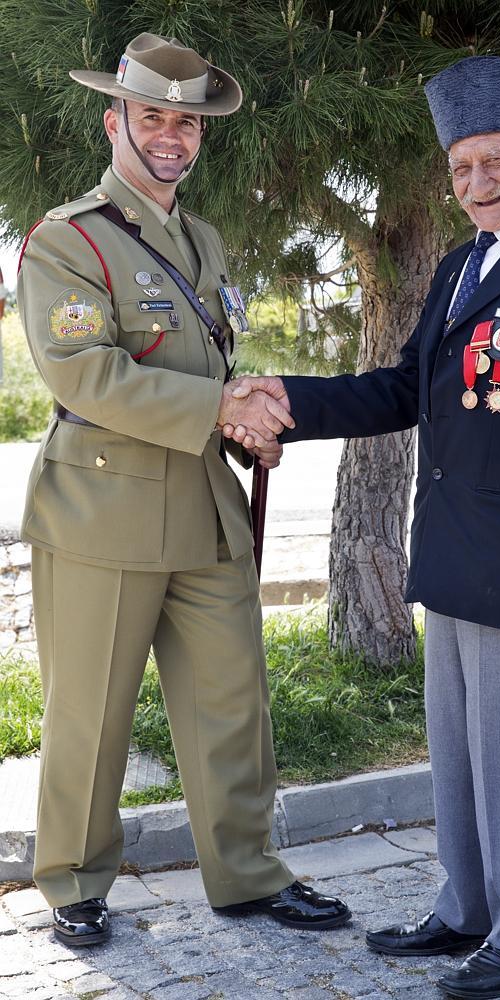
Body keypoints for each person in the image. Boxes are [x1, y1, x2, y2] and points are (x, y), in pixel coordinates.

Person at [222, 56, 500, 998]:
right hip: (451, 551)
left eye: (496, 161)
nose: (478, 185)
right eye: (460, 168)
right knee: (455, 747)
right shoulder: (462, 267)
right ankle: (465, 908)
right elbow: (404, 389)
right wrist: (288, 396)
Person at [18, 32, 350, 948]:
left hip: (204, 508)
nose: (172, 134)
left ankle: (245, 876)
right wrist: (223, 406)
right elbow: (84, 374)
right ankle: (74, 885)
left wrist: (246, 427)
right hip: (102, 512)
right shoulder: (67, 239)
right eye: (153, 115)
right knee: (92, 713)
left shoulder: (198, 238)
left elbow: (208, 362)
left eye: (187, 120)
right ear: (114, 119)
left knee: (232, 705)